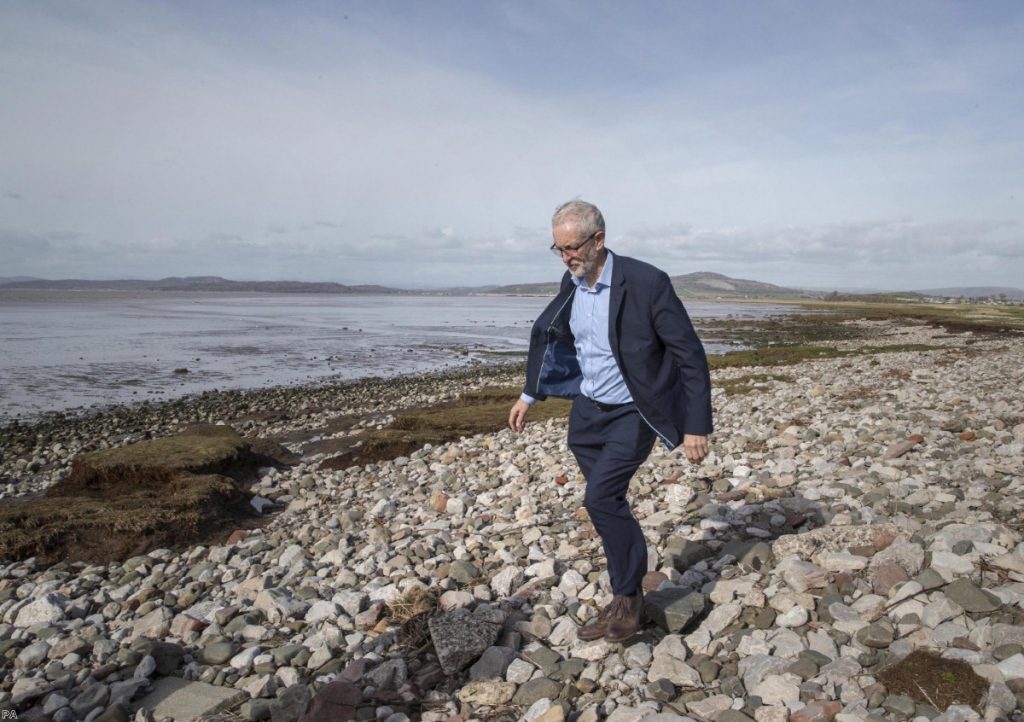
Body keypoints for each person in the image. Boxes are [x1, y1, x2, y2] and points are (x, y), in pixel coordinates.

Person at [508, 199, 712, 643]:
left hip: (631, 413)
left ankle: (628, 598)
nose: (566, 258)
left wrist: (697, 424)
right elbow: (553, 335)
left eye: (572, 248)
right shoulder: (573, 281)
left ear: (599, 240)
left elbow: (689, 355)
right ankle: (626, 589)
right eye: (559, 249)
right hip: (587, 414)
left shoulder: (647, 282)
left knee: (601, 500)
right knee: (608, 506)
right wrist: (530, 394)